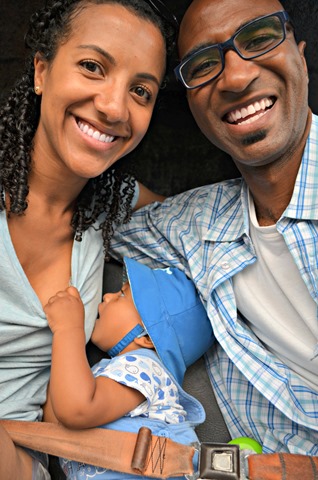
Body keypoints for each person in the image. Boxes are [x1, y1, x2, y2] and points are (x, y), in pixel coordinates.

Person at [110, 0, 318, 457]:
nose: (236, 77)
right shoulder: (200, 221)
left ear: (301, 57)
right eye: (203, 65)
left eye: (260, 38)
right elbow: (88, 211)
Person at [0, 1, 178, 479]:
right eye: (92, 67)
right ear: (41, 70)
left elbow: (200, 221)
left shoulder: (113, 203)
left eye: (141, 91)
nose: (114, 107)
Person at [43, 257, 214, 479]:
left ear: (146, 337)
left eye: (122, 295)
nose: (107, 296)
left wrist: (68, 329)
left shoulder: (147, 367)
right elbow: (54, 426)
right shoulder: (107, 372)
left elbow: (76, 411)